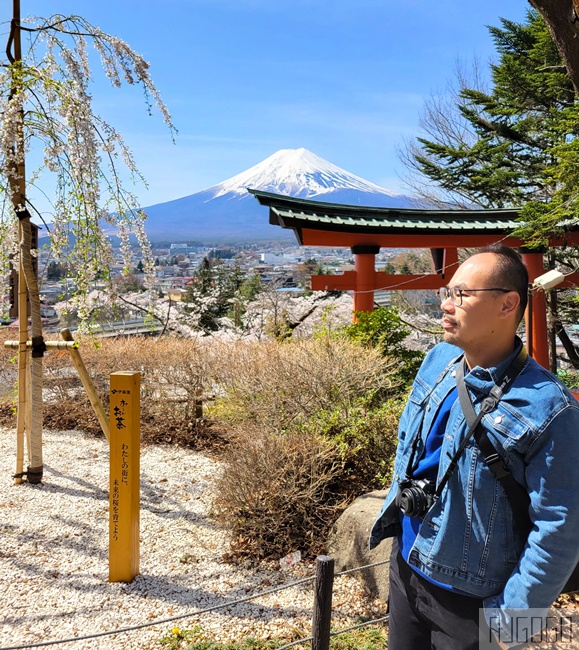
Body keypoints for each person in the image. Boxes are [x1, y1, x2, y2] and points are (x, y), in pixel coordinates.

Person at [369, 244, 579, 649]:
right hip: (407, 565)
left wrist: (511, 629)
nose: (447, 304)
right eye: (446, 292)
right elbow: (407, 446)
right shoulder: (439, 359)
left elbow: (561, 528)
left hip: (477, 599)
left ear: (508, 305)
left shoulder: (550, 409)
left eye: (462, 294)